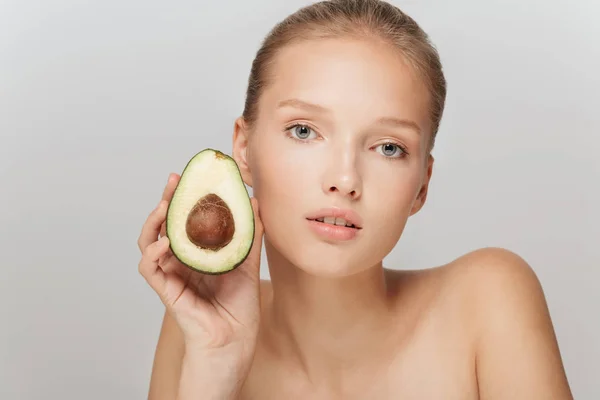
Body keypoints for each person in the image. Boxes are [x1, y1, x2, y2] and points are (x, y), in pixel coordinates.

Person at [137, 0, 573, 398]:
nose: (345, 180)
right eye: (304, 131)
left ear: (422, 183)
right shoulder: (198, 324)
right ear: (245, 149)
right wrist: (214, 367)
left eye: (388, 147)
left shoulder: (486, 301)